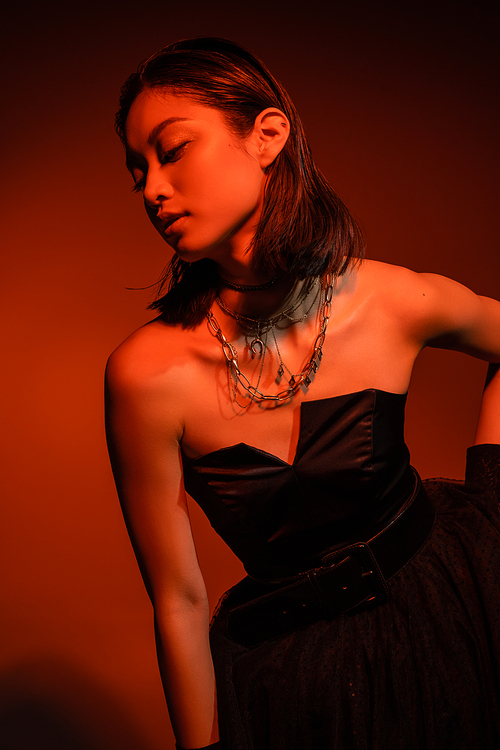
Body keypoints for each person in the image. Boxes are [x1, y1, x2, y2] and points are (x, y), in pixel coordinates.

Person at [105, 37, 500, 750]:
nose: (153, 190)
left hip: (446, 619)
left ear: (267, 136)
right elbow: (179, 598)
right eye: (138, 173)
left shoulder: (391, 298)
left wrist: (497, 485)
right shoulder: (144, 374)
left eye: (173, 150)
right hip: (296, 677)